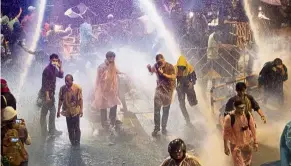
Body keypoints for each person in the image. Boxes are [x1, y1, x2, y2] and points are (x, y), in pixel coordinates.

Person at [91, 51, 122, 130]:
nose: (113, 59)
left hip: (111, 90)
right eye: (111, 57)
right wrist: (101, 89)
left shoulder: (112, 65)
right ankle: (104, 123)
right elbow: (99, 79)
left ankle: (112, 120)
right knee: (103, 106)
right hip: (103, 90)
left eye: (114, 57)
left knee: (114, 104)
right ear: (108, 58)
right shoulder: (102, 67)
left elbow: (116, 71)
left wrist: (122, 73)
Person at [147, 54, 176, 136]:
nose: (159, 64)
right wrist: (149, 69)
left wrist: (163, 74)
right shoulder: (156, 65)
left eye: (161, 62)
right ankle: (156, 128)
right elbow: (152, 71)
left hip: (168, 91)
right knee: (156, 110)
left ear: (164, 59)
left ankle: (164, 128)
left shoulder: (170, 66)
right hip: (159, 90)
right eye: (158, 62)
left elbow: (173, 77)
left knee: (165, 110)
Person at [223, 100, 258, 166]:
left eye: (243, 107)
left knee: (248, 164)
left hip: (247, 144)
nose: (242, 109)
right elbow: (225, 133)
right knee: (239, 164)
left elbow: (253, 129)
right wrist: (225, 147)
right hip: (236, 146)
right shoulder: (229, 118)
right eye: (240, 108)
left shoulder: (247, 115)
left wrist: (255, 142)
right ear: (235, 107)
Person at [39, 54, 63, 137]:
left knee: (45, 112)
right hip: (46, 94)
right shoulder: (48, 70)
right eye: (53, 60)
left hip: (50, 94)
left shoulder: (54, 68)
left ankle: (46, 131)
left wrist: (60, 67)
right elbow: (45, 84)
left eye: (56, 60)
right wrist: (47, 96)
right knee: (51, 112)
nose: (55, 62)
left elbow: (61, 76)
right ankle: (50, 131)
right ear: (50, 60)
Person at [57, 74, 83, 146]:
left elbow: (80, 100)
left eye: (68, 81)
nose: (66, 83)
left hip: (75, 111)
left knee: (76, 128)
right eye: (65, 81)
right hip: (67, 112)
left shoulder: (77, 88)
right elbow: (60, 100)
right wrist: (58, 111)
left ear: (72, 80)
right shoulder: (62, 89)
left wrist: (81, 110)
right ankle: (72, 143)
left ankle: (77, 143)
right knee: (70, 129)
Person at [174, 55, 198, 126]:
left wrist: (192, 83)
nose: (181, 69)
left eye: (183, 68)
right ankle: (187, 120)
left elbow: (194, 78)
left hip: (188, 86)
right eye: (180, 68)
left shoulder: (190, 68)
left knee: (193, 102)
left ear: (185, 66)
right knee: (182, 104)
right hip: (180, 87)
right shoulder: (174, 69)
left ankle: (193, 105)